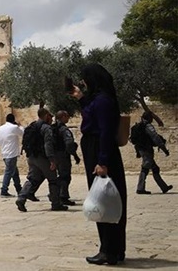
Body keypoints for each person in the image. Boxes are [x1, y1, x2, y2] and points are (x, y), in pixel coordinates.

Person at [72, 63, 127, 265]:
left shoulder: (103, 101)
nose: (84, 82)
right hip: (96, 148)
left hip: (99, 150)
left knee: (103, 200)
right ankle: (112, 249)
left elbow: (104, 131)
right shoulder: (100, 99)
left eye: (85, 78)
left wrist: (102, 161)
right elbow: (92, 113)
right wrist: (80, 98)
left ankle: (109, 250)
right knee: (103, 198)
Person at [15, 108, 66, 212]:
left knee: (32, 179)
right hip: (43, 158)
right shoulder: (46, 128)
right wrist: (52, 160)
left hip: (31, 157)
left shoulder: (32, 126)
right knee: (53, 180)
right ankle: (56, 204)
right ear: (46, 116)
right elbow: (48, 144)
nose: (52, 119)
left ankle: (21, 198)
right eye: (50, 117)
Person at [133, 111, 172, 195]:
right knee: (145, 168)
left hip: (141, 149)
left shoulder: (138, 126)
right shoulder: (147, 126)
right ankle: (140, 189)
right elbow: (155, 137)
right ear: (149, 118)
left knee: (154, 168)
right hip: (146, 150)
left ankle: (164, 187)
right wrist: (164, 149)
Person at [0, 114, 24, 197]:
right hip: (12, 154)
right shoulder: (14, 128)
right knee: (8, 172)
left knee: (14, 172)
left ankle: (19, 189)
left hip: (5, 154)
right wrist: (20, 126)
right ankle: (4, 190)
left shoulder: (0, 128)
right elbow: (23, 133)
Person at [53, 111, 81, 205]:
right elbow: (69, 143)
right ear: (63, 117)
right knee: (65, 176)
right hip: (63, 156)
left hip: (54, 156)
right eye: (67, 116)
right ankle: (63, 196)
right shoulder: (64, 129)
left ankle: (55, 194)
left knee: (59, 176)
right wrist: (75, 155)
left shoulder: (53, 128)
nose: (68, 118)